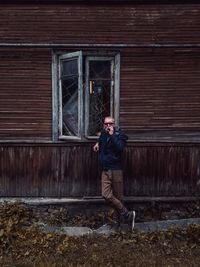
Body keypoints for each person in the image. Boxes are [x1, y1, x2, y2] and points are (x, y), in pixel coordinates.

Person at [93, 116, 135, 231]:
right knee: (106, 195)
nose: (107, 126)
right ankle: (126, 213)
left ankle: (120, 224)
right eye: (106, 124)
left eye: (110, 124)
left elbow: (120, 148)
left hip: (116, 170)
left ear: (114, 124)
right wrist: (97, 144)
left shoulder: (119, 135)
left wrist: (112, 135)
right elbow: (101, 140)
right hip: (105, 169)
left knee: (118, 197)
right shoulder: (103, 134)